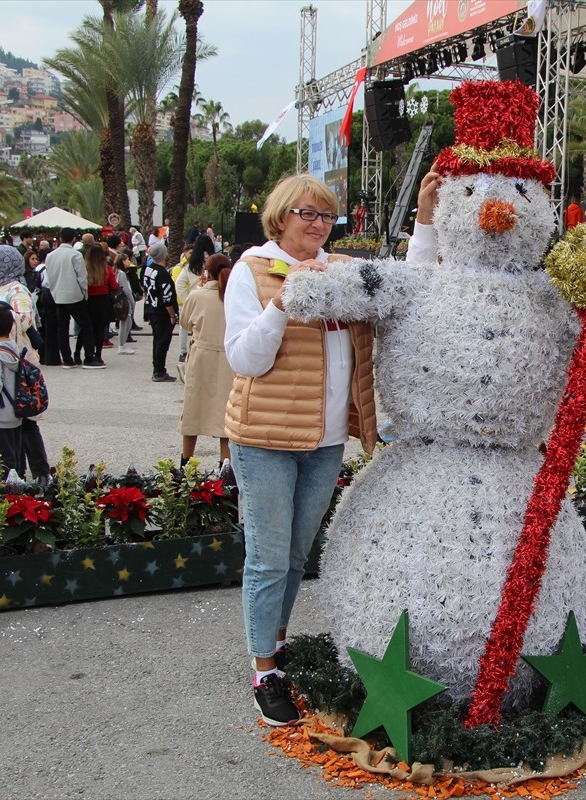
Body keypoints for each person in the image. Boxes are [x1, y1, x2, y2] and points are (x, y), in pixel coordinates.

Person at [223, 173, 378, 726]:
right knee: (267, 558)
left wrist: (427, 219)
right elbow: (245, 360)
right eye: (306, 213)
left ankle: (277, 644)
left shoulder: (341, 273)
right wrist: (283, 304)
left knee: (293, 555)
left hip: (326, 441)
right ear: (280, 218)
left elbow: (411, 282)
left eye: (325, 215)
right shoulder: (254, 270)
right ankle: (264, 670)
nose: (317, 223)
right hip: (265, 439)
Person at [0, 304, 47, 481]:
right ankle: (19, 480)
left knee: (4, 455)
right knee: (15, 449)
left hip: (2, 412)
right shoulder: (13, 349)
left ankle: (9, 487)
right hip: (16, 410)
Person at [178, 254, 234, 464]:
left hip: (202, 355)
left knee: (194, 410)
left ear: (206, 271)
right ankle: (225, 465)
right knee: (225, 412)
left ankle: (185, 462)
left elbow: (184, 323)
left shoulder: (197, 295)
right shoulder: (234, 296)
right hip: (229, 357)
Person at [44, 227, 96, 369]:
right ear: (73, 239)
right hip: (74, 295)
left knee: (63, 328)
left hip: (58, 295)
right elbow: (81, 276)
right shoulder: (75, 255)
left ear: (60, 238)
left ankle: (67, 359)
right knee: (86, 326)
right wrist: (84, 293)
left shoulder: (50, 256)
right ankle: (89, 357)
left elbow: (49, 276)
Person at [142, 241, 178, 382]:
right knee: (162, 342)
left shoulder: (149, 269)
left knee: (157, 340)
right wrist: (172, 315)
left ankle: (157, 368)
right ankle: (159, 371)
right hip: (161, 312)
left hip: (152, 308)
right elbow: (167, 297)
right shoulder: (162, 274)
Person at [76, 245, 116, 368]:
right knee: (100, 329)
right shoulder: (107, 269)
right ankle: (98, 355)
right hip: (103, 300)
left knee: (85, 328)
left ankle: (77, 353)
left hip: (88, 300)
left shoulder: (84, 268)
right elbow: (114, 286)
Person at [176, 235, 213, 365]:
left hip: (194, 298)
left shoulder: (190, 265)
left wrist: (187, 300)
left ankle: (184, 351)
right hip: (211, 300)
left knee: (185, 328)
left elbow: (179, 284)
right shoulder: (214, 261)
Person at [112, 250, 137, 355]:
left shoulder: (117, 272)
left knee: (127, 322)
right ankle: (121, 346)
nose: (129, 261)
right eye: (127, 260)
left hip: (120, 300)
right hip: (124, 300)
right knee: (125, 322)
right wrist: (132, 301)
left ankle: (123, 344)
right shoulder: (121, 274)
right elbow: (126, 290)